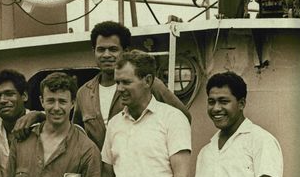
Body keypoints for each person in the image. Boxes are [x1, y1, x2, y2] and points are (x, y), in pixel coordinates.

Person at [14, 20, 190, 150]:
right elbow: (74, 130)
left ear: (125, 52)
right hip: (100, 175)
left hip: (137, 171)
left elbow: (183, 118)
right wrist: (39, 116)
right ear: (94, 52)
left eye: (113, 49)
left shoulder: (149, 85)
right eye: (101, 49)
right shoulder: (84, 93)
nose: (106, 55)